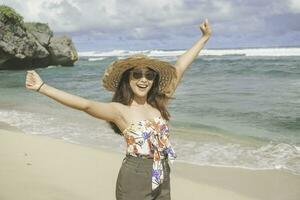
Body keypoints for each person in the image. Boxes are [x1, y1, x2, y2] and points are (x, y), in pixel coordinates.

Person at [25, 19, 211, 200]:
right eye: (137, 74)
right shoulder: (119, 110)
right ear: (127, 80)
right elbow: (85, 105)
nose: (143, 79)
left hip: (162, 170)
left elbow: (179, 68)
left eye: (149, 75)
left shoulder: (158, 103)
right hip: (136, 174)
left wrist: (204, 38)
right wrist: (42, 87)